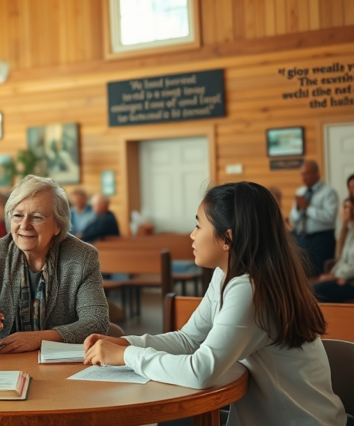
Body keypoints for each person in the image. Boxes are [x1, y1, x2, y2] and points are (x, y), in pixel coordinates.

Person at [83, 182, 346, 426]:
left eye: (198, 225)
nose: (191, 235)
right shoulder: (227, 273)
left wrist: (127, 356)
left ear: (227, 238)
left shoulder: (250, 289)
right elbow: (189, 340)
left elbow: (201, 371)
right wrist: (128, 343)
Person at [0, 175, 109, 353]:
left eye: (37, 217)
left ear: (58, 225)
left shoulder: (82, 257)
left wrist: (39, 339)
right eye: (18, 215)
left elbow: (96, 322)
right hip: (5, 362)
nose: (24, 225)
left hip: (62, 363)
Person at [289, 160, 338, 277]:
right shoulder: (300, 191)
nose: (303, 177)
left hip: (321, 239)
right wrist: (298, 208)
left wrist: (308, 208)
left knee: (317, 273)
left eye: (306, 174)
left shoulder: (328, 192)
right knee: (301, 273)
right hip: (302, 238)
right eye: (302, 174)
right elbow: (293, 217)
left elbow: (330, 217)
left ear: (317, 173)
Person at [313, 197, 354, 302]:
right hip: (343, 278)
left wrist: (335, 276)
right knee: (313, 288)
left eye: (346, 207)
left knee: (318, 292)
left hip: (349, 281)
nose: (342, 210)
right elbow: (339, 257)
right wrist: (333, 274)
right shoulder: (350, 232)